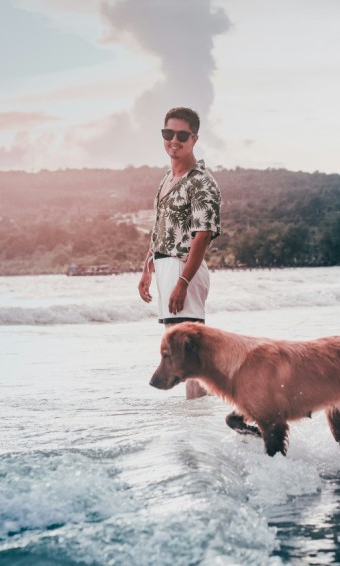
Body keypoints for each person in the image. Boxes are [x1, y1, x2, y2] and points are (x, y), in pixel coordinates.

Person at [138, 107, 221, 399]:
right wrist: (147, 268)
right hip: (165, 266)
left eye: (182, 135)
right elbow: (162, 227)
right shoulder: (167, 179)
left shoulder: (201, 181)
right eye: (168, 133)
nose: (174, 140)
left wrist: (183, 282)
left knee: (188, 354)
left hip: (184, 268)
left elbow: (203, 234)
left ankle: (198, 420)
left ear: (194, 139)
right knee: (179, 352)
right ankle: (195, 417)